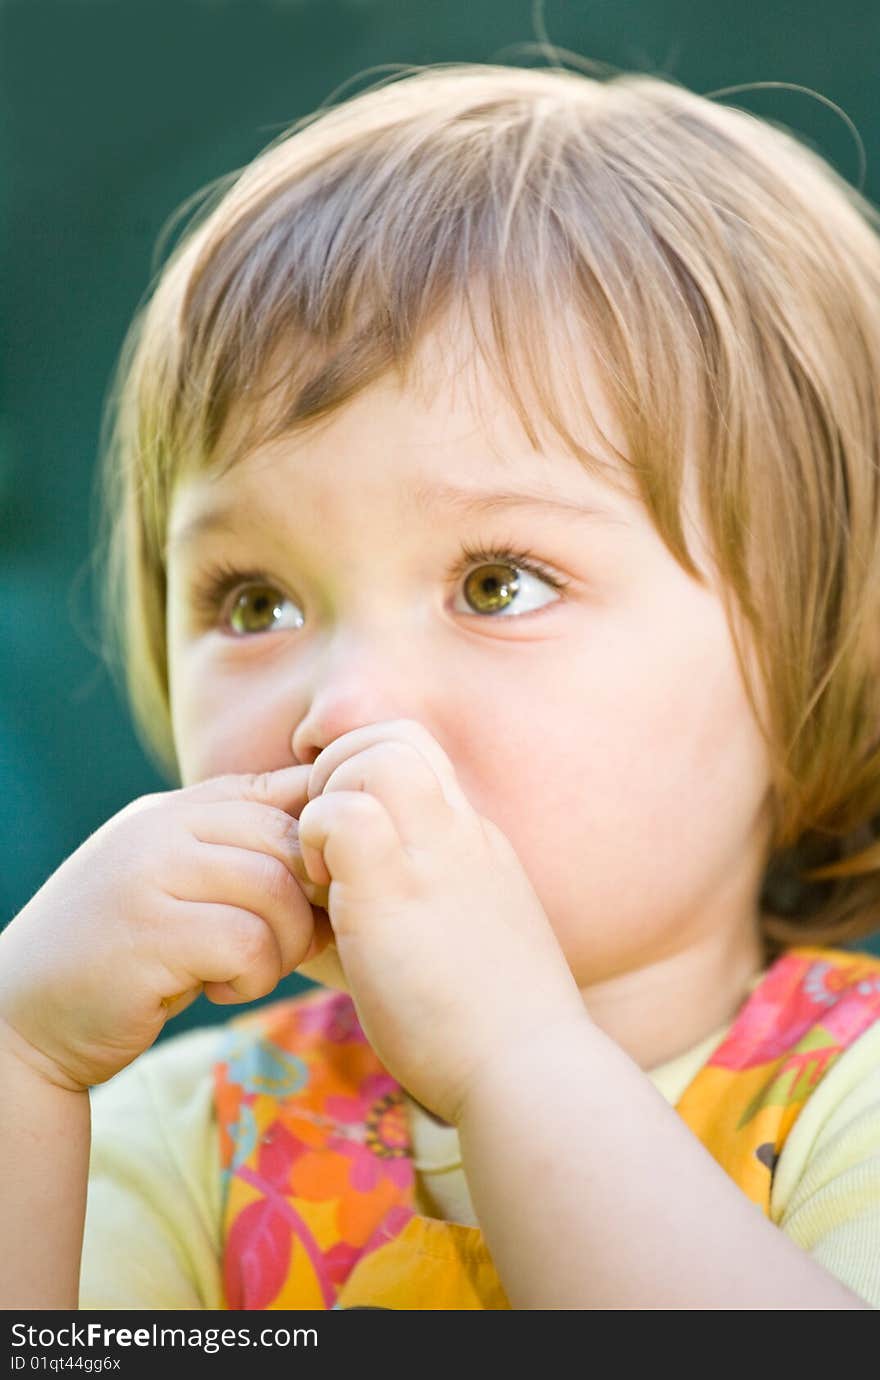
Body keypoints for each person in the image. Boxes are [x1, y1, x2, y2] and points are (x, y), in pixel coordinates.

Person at [2, 60, 880, 1312]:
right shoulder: (179, 1141)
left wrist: (518, 1063)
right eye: (255, 602)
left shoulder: (853, 1096)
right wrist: (19, 1064)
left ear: (802, 652)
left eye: (497, 585)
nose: (342, 709)